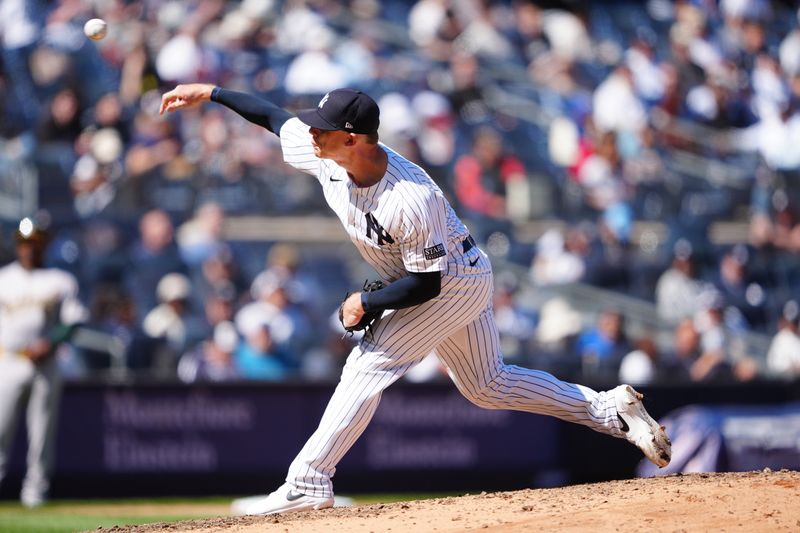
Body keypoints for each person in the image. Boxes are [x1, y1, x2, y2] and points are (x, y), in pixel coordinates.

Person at [159, 84, 672, 516]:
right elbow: (273, 117)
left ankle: (309, 482)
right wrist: (211, 93)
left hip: (452, 282)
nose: (309, 133)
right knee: (487, 386)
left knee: (368, 366)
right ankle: (610, 410)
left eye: (321, 128)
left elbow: (428, 286)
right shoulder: (328, 155)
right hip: (442, 276)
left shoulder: (411, 196)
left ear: (352, 139)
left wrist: (366, 299)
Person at [0, 217, 88, 507]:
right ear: (17, 245)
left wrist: (50, 343)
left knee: (41, 433)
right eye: (25, 243)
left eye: (35, 243)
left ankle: (35, 492)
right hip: (8, 359)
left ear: (44, 245)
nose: (29, 249)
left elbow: (74, 322)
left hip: (44, 363)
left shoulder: (59, 280)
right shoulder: (4, 278)